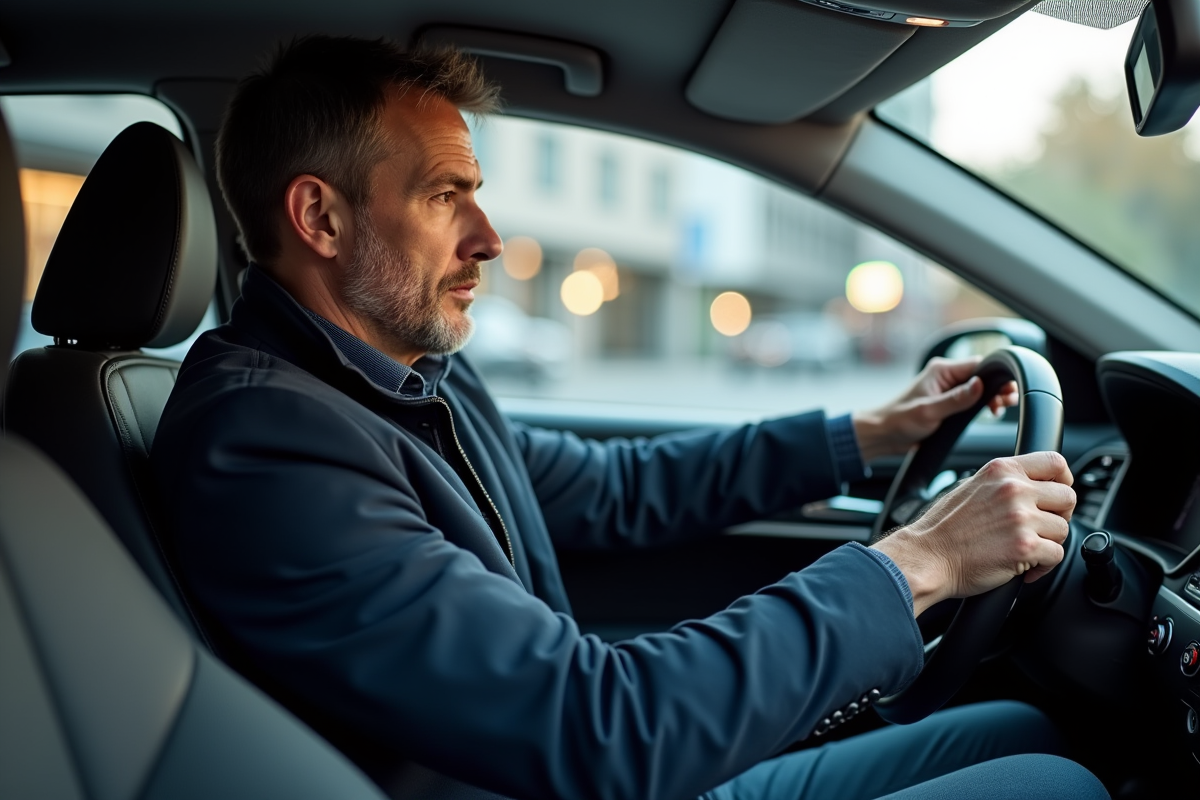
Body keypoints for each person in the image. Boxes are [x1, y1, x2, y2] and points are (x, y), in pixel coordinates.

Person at [151, 36, 1108, 800]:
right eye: (446, 197)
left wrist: (867, 436)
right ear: (320, 219)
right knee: (1050, 784)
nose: (488, 240)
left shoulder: (404, 380)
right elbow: (593, 728)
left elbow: (614, 486)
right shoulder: (268, 450)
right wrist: (922, 562)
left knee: (1020, 732)